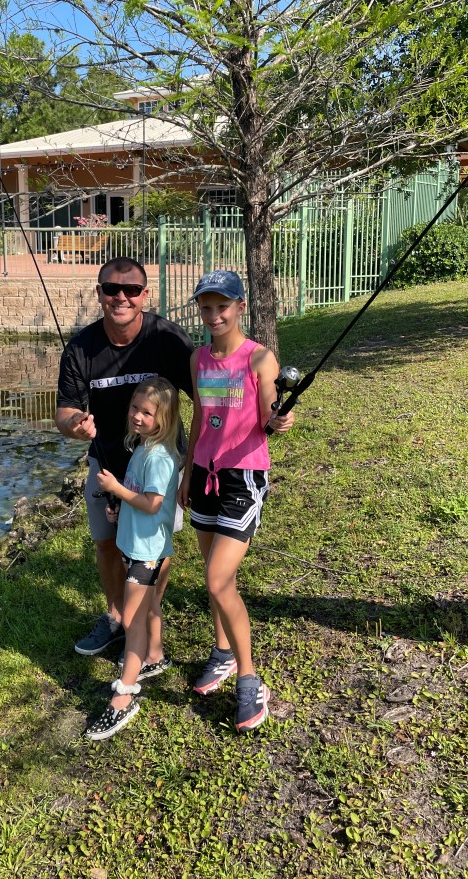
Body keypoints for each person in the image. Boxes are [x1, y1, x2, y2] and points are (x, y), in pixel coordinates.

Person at [56, 256, 194, 656]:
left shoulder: (167, 338)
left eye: (131, 289)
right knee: (106, 543)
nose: (121, 297)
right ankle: (117, 616)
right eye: (112, 289)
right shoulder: (80, 347)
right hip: (107, 465)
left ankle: (147, 614)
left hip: (159, 466)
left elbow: (205, 396)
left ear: (144, 294)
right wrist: (76, 424)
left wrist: (191, 466)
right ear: (99, 293)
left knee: (156, 549)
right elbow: (64, 411)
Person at [178, 270, 295, 733]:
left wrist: (278, 419)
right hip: (204, 474)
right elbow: (199, 416)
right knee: (214, 579)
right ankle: (222, 651)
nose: (214, 315)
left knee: (217, 578)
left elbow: (269, 412)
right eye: (206, 307)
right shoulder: (198, 359)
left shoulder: (259, 357)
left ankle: (249, 680)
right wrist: (187, 472)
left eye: (222, 306)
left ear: (240, 307)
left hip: (243, 477)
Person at [85, 377, 180, 739]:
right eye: (134, 408)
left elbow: (153, 503)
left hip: (147, 553)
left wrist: (116, 489)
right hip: (134, 545)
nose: (137, 416)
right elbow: (138, 499)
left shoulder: (158, 457)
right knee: (149, 607)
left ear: (164, 418)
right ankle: (154, 655)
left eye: (147, 412)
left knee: (132, 620)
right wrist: (120, 509)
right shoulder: (142, 447)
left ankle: (124, 697)